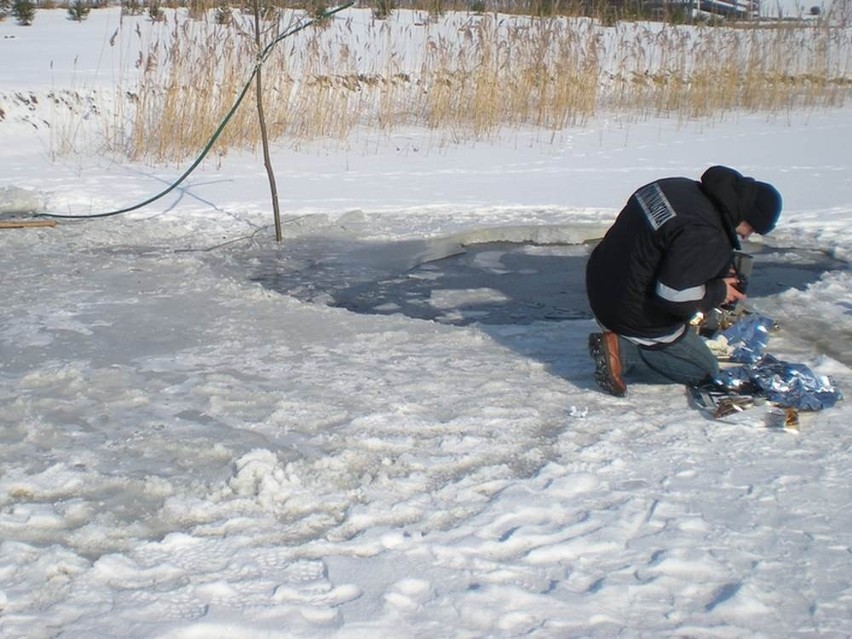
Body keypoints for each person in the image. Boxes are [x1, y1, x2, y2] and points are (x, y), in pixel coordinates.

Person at [585, 165, 782, 397]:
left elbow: (662, 246)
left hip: (600, 284)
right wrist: (719, 291)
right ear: (746, 215)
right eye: (753, 228)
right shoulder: (708, 233)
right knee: (704, 370)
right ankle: (625, 352)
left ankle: (621, 337)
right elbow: (673, 297)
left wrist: (711, 266)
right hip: (629, 314)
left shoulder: (677, 187)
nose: (748, 235)